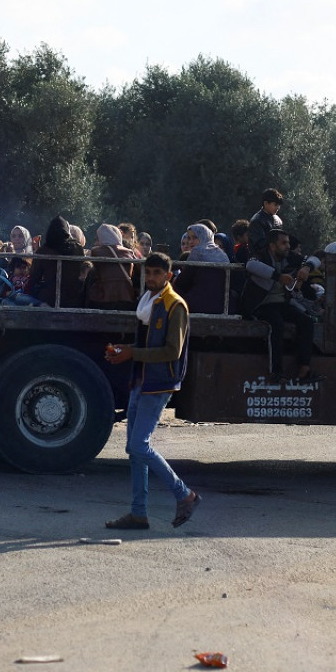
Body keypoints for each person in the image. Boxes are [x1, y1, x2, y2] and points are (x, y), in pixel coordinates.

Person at [103, 252, 200, 530]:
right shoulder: (147, 301)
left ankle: (186, 494)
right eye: (148, 273)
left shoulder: (174, 305)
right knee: (134, 451)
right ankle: (138, 513)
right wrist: (124, 351)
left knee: (137, 445)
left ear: (168, 276)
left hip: (159, 383)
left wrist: (132, 353)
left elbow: (173, 351)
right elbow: (145, 341)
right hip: (140, 381)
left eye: (157, 273)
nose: (151, 278)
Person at [241, 229, 316, 383]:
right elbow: (251, 265)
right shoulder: (261, 255)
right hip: (260, 304)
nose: (288, 246)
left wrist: (307, 267)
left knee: (307, 322)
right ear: (273, 246)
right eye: (284, 243)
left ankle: (304, 368)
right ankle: (276, 372)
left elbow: (317, 257)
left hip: (281, 303)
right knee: (277, 324)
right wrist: (278, 276)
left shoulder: (290, 258)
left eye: (288, 243)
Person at [28, 216, 88, 308]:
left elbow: (34, 277)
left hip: (50, 299)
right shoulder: (77, 248)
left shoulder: (43, 251)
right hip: (75, 299)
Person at [174, 222, 231, 314]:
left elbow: (182, 282)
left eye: (195, 237)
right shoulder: (222, 254)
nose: (190, 241)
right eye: (189, 238)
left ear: (204, 236)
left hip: (197, 305)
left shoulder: (197, 252)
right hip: (222, 307)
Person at [85, 224, 138, 310]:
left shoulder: (96, 251)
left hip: (103, 298)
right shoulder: (129, 252)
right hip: (126, 297)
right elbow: (139, 268)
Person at [247, 188, 284, 253]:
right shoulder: (257, 220)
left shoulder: (278, 220)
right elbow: (259, 244)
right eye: (275, 204)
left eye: (279, 205)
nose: (278, 208)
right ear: (266, 203)